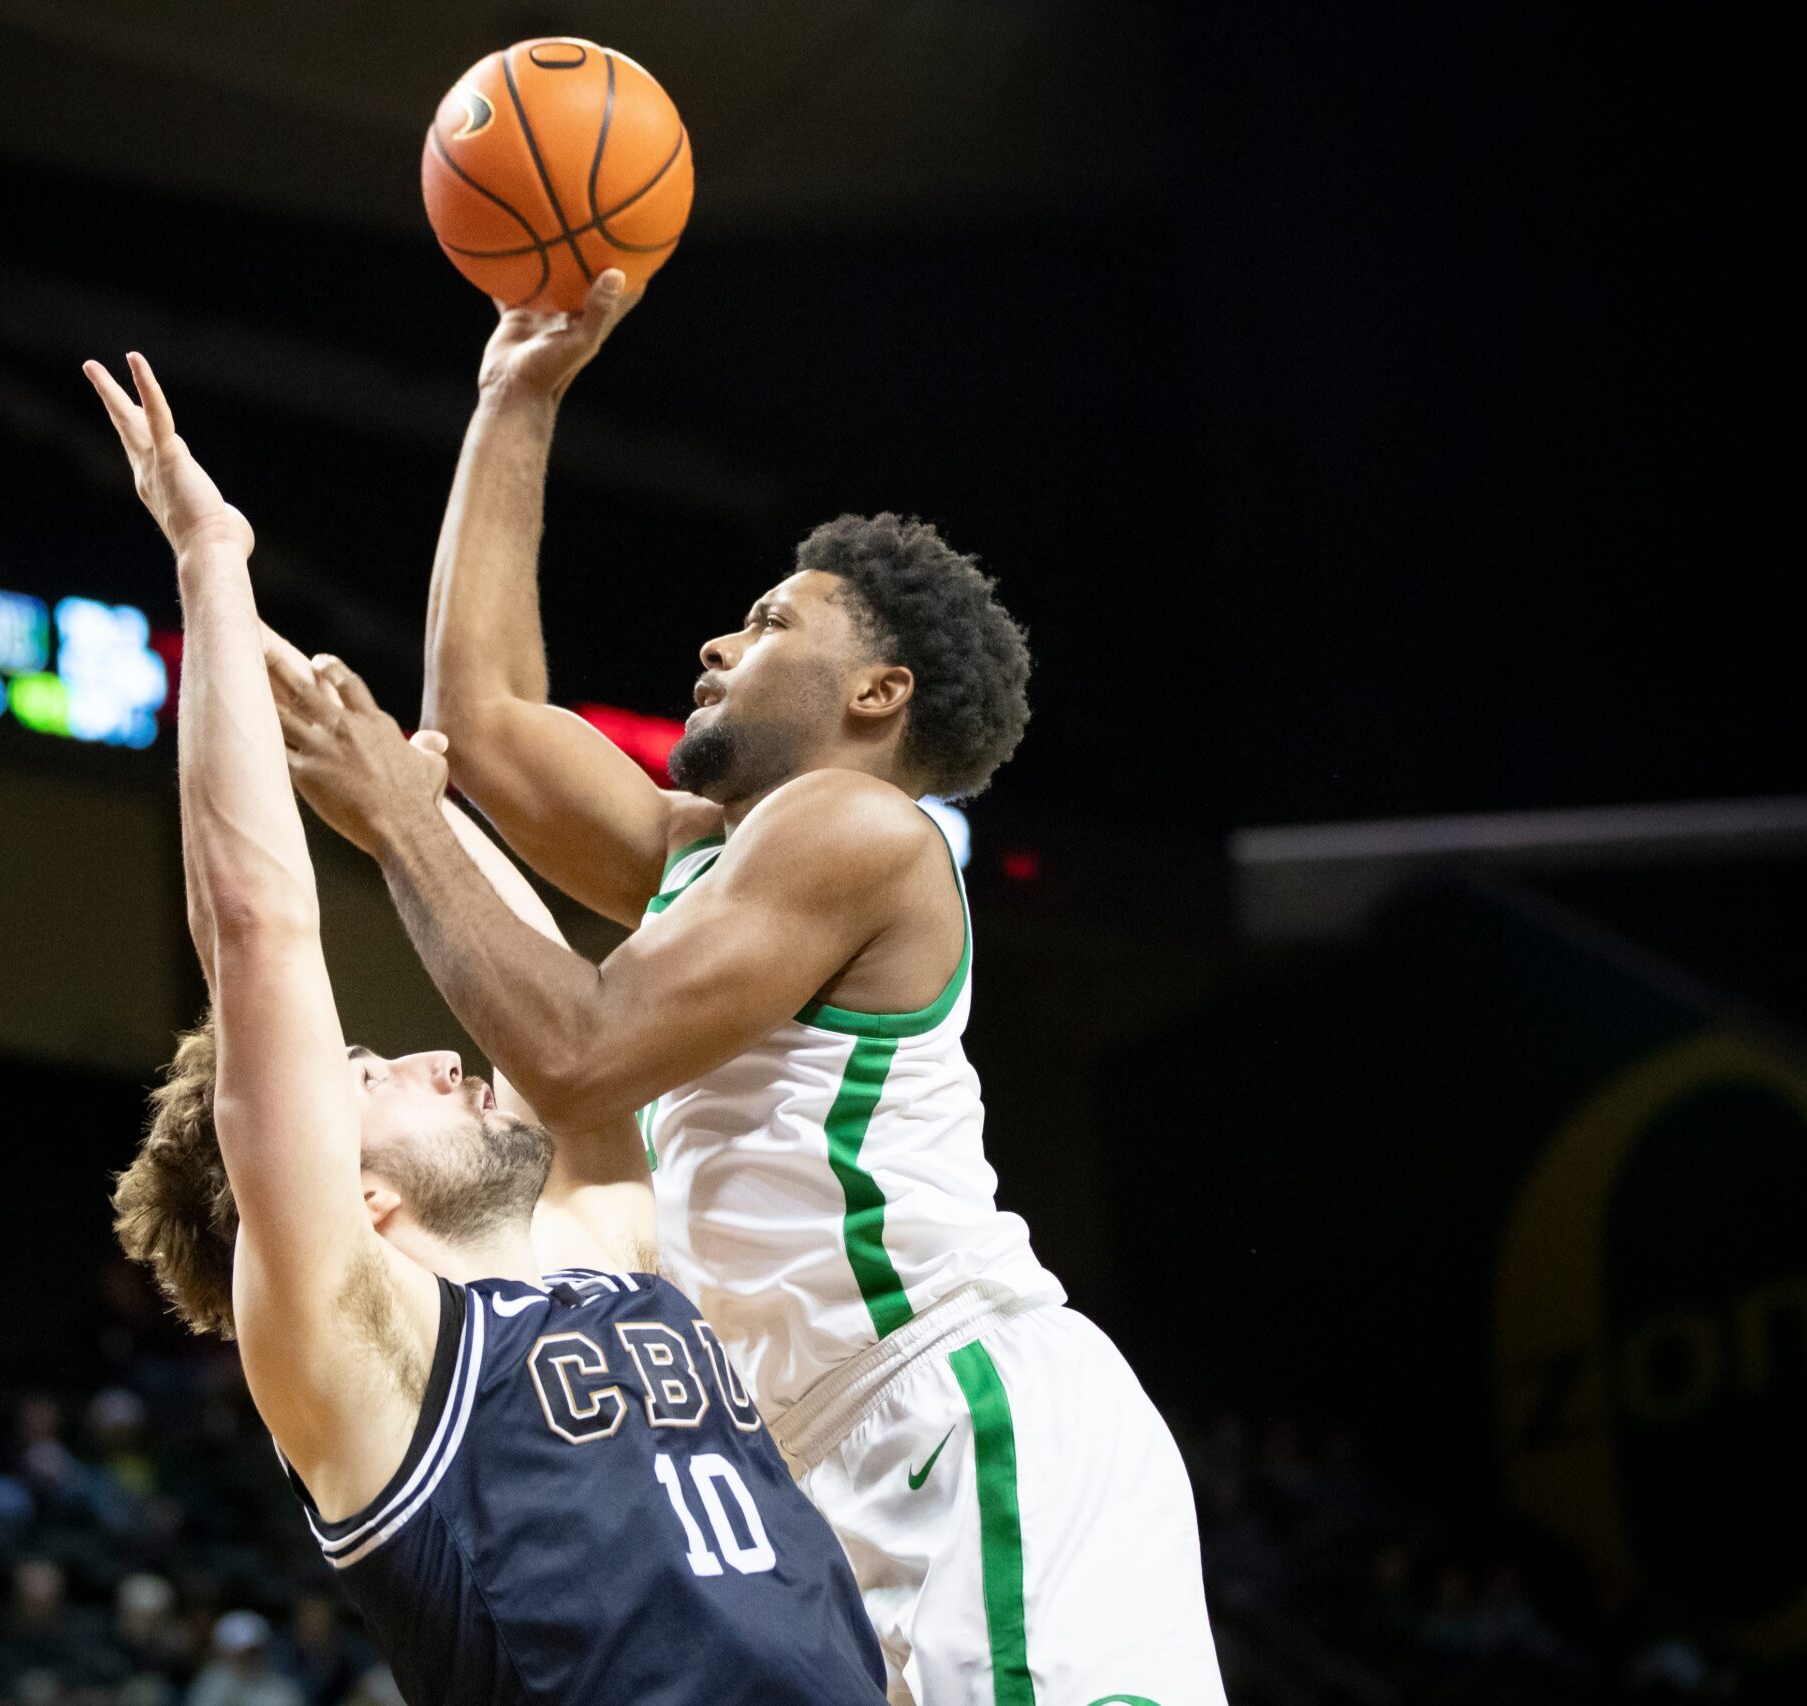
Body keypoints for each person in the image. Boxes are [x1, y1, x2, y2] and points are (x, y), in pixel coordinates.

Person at [261, 273, 1225, 1706]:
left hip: (955, 1411)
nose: (718, 642)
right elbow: (483, 725)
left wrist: (404, 821)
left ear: (877, 695)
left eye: (772, 620)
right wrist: (515, 396)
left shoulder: (854, 833)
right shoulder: (699, 854)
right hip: (803, 1458)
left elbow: (580, 1053)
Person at [85, 350, 883, 1706]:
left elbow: (551, 1018)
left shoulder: (604, 1241)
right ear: (353, 1189)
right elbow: (259, 928)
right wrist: (211, 567)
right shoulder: (357, 1344)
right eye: (371, 1073)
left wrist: (417, 807)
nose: (435, 1055)